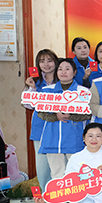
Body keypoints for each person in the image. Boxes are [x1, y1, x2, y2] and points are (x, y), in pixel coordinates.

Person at [38, 58, 91, 203]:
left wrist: (71, 115)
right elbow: (41, 113)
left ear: (74, 72)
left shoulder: (82, 91)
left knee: (76, 172)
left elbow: (88, 113)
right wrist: (56, 116)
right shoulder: (47, 91)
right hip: (52, 137)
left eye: (67, 69)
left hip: (74, 137)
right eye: (60, 69)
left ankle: (76, 202)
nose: (63, 72)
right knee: (57, 172)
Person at [23, 49, 58, 190]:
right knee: (42, 164)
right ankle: (46, 193)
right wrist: (32, 88)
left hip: (60, 126)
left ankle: (63, 196)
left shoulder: (63, 79)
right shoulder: (34, 80)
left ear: (56, 62)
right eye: (42, 61)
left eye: (50, 60)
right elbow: (28, 104)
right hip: (40, 127)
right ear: (37, 64)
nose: (46, 64)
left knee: (60, 163)